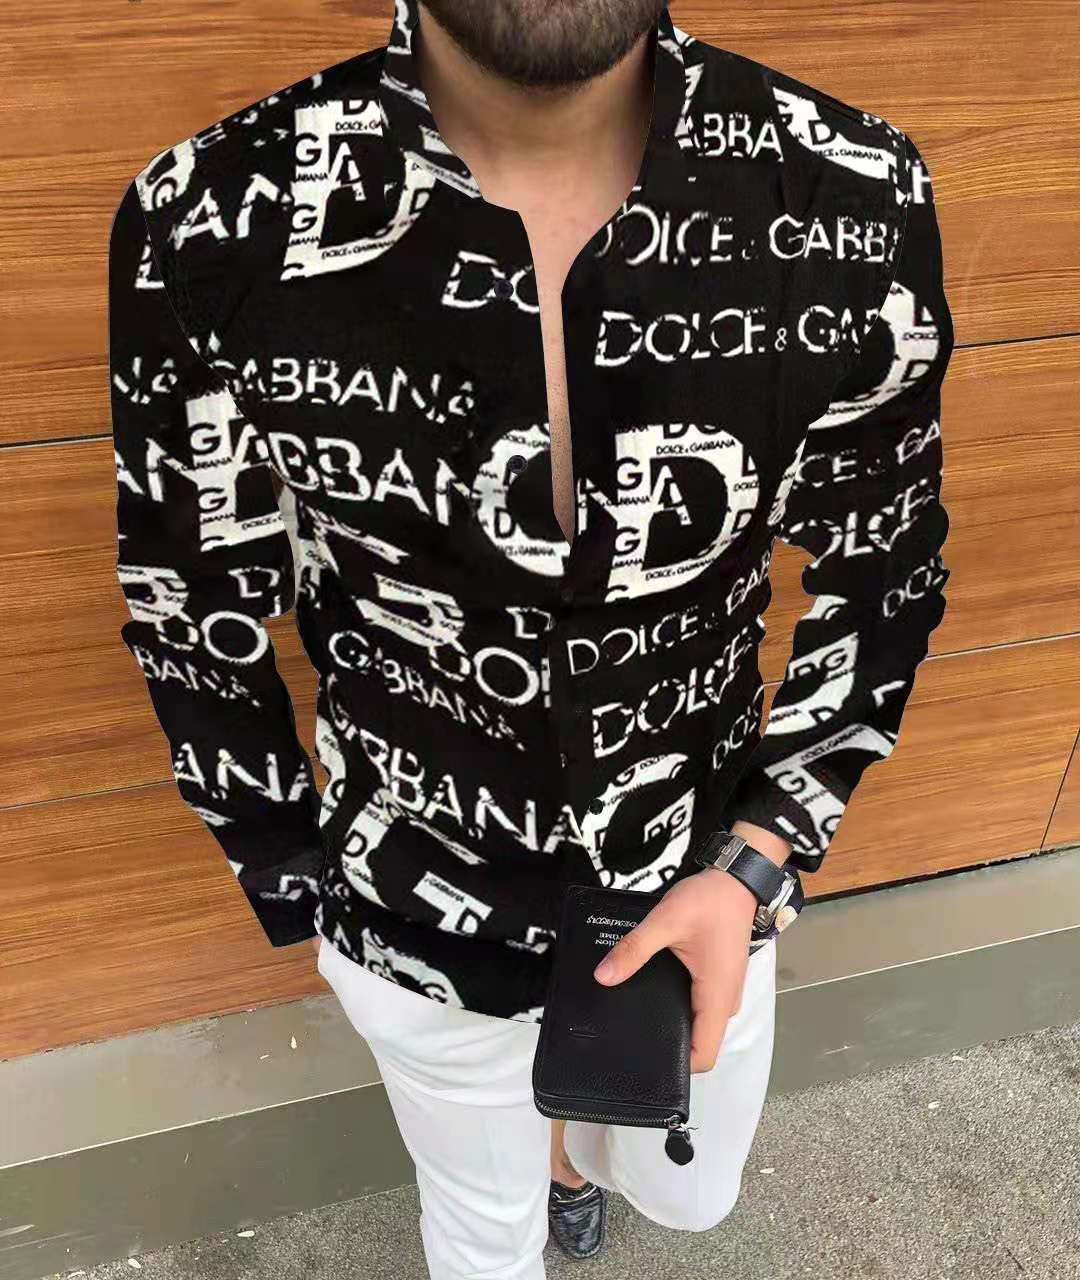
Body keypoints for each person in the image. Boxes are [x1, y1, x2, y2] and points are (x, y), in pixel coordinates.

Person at [107, 0, 953, 1274]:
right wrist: (301, 876)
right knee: (478, 1234)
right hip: (409, 895)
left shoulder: (851, 188)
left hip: (702, 871)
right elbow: (192, 595)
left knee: (688, 1193)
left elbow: (882, 562)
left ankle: (573, 1155)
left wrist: (764, 853)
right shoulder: (208, 217)